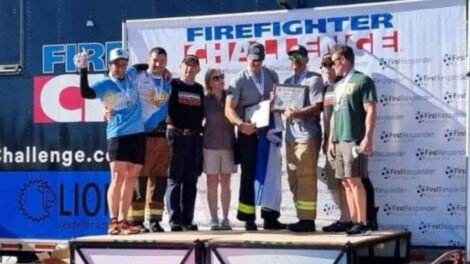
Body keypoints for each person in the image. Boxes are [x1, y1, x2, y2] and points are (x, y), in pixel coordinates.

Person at [75, 48, 143, 235]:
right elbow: (86, 93)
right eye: (117, 65)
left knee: (131, 179)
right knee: (118, 177)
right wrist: (83, 70)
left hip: (138, 133)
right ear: (110, 66)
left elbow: (142, 66)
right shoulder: (105, 84)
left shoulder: (131, 74)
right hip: (118, 134)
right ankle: (113, 222)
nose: (121, 68)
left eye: (123, 64)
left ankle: (123, 221)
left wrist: (165, 71)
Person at [225, 42, 286, 231]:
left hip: (267, 132)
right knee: (249, 174)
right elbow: (229, 109)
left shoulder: (271, 75)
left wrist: (277, 101)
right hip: (248, 133)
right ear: (247, 58)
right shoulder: (239, 80)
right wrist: (241, 125)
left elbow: (279, 101)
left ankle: (270, 217)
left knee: (271, 173)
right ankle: (248, 217)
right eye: (253, 60)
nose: (256, 64)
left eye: (259, 60)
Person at [327, 44, 377, 236]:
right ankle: (354, 220)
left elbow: (371, 109)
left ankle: (363, 222)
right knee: (346, 181)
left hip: (354, 138)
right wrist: (331, 140)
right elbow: (334, 114)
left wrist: (368, 138)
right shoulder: (338, 85)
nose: (332, 66)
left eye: (334, 62)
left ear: (343, 60)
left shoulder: (362, 80)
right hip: (339, 139)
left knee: (355, 180)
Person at [126, 47, 172, 233]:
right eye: (154, 60)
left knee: (159, 181)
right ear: (148, 60)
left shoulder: (169, 82)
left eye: (162, 61)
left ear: (166, 63)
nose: (158, 64)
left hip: (162, 138)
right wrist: (143, 65)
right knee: (140, 179)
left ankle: (154, 220)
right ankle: (135, 221)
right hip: (142, 136)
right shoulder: (138, 75)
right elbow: (114, 75)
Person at [282, 45, 323, 232]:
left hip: (307, 136)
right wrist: (276, 101)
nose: (295, 60)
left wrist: (297, 114)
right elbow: (282, 107)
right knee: (293, 179)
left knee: (306, 178)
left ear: (306, 59)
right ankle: (301, 217)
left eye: (299, 57)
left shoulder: (314, 79)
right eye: (292, 57)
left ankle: (308, 221)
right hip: (290, 137)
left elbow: (318, 106)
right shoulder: (288, 81)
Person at [165, 54, 204, 231]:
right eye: (186, 65)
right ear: (180, 67)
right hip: (176, 136)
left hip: (195, 137)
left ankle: (188, 220)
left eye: (193, 66)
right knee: (174, 179)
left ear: (198, 70)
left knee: (191, 180)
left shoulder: (199, 88)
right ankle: (174, 221)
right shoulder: (171, 84)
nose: (189, 69)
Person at [320, 53, 353, 232]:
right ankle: (345, 217)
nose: (326, 68)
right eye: (323, 65)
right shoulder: (326, 88)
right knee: (335, 182)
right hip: (330, 143)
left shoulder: (343, 85)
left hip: (343, 141)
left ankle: (353, 218)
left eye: (330, 64)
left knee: (347, 181)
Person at [203, 69, 236, 231]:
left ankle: (225, 218)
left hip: (228, 145)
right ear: (209, 83)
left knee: (226, 182)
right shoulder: (204, 100)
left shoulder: (230, 96)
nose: (220, 80)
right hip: (210, 145)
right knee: (212, 182)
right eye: (216, 78)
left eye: (222, 77)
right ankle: (214, 219)